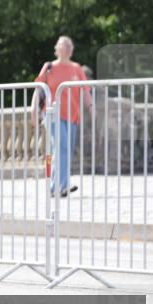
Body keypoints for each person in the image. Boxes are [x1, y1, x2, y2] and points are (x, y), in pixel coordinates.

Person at [31, 36, 93, 197]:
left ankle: (58, 186)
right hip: (52, 113)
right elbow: (39, 89)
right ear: (57, 48)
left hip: (72, 116)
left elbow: (85, 90)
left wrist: (91, 107)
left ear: (72, 50)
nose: (66, 48)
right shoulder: (49, 67)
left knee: (65, 150)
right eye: (63, 45)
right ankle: (59, 186)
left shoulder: (76, 68)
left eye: (69, 46)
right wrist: (33, 110)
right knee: (62, 146)